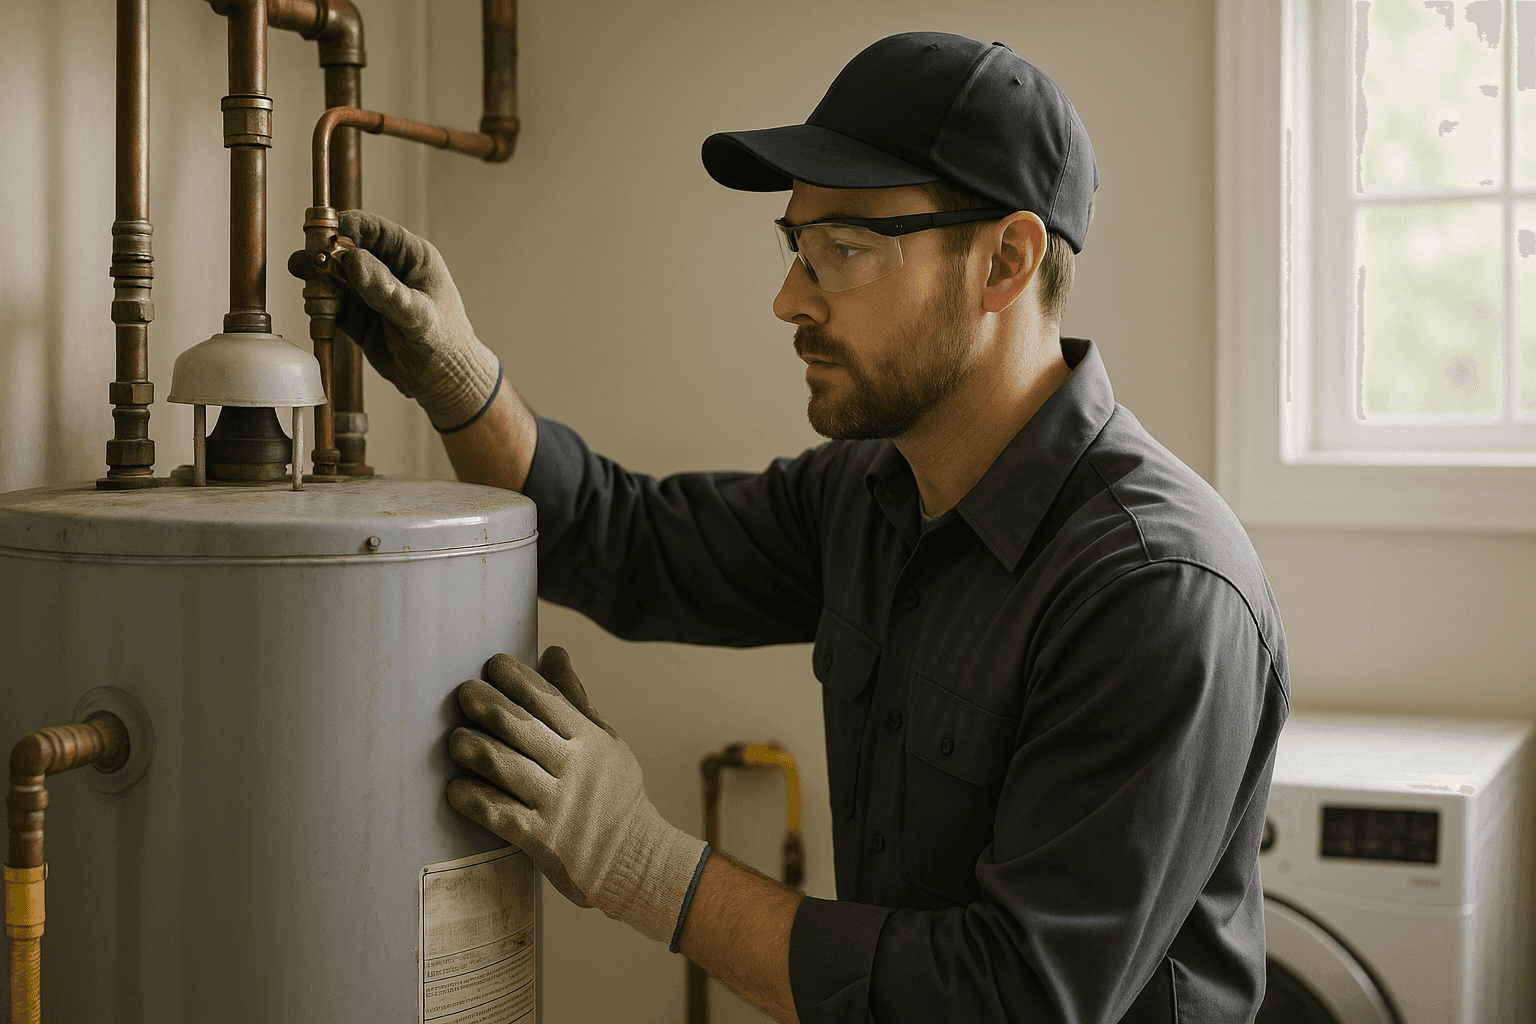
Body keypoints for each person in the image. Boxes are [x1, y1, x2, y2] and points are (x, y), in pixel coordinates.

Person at [333, 31, 1289, 1024]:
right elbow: (628, 541)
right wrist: (457, 374)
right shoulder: (874, 493)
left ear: (1005, 260)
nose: (790, 298)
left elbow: (1011, 1000)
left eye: (845, 249)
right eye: (798, 245)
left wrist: (644, 867)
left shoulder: (1157, 589)